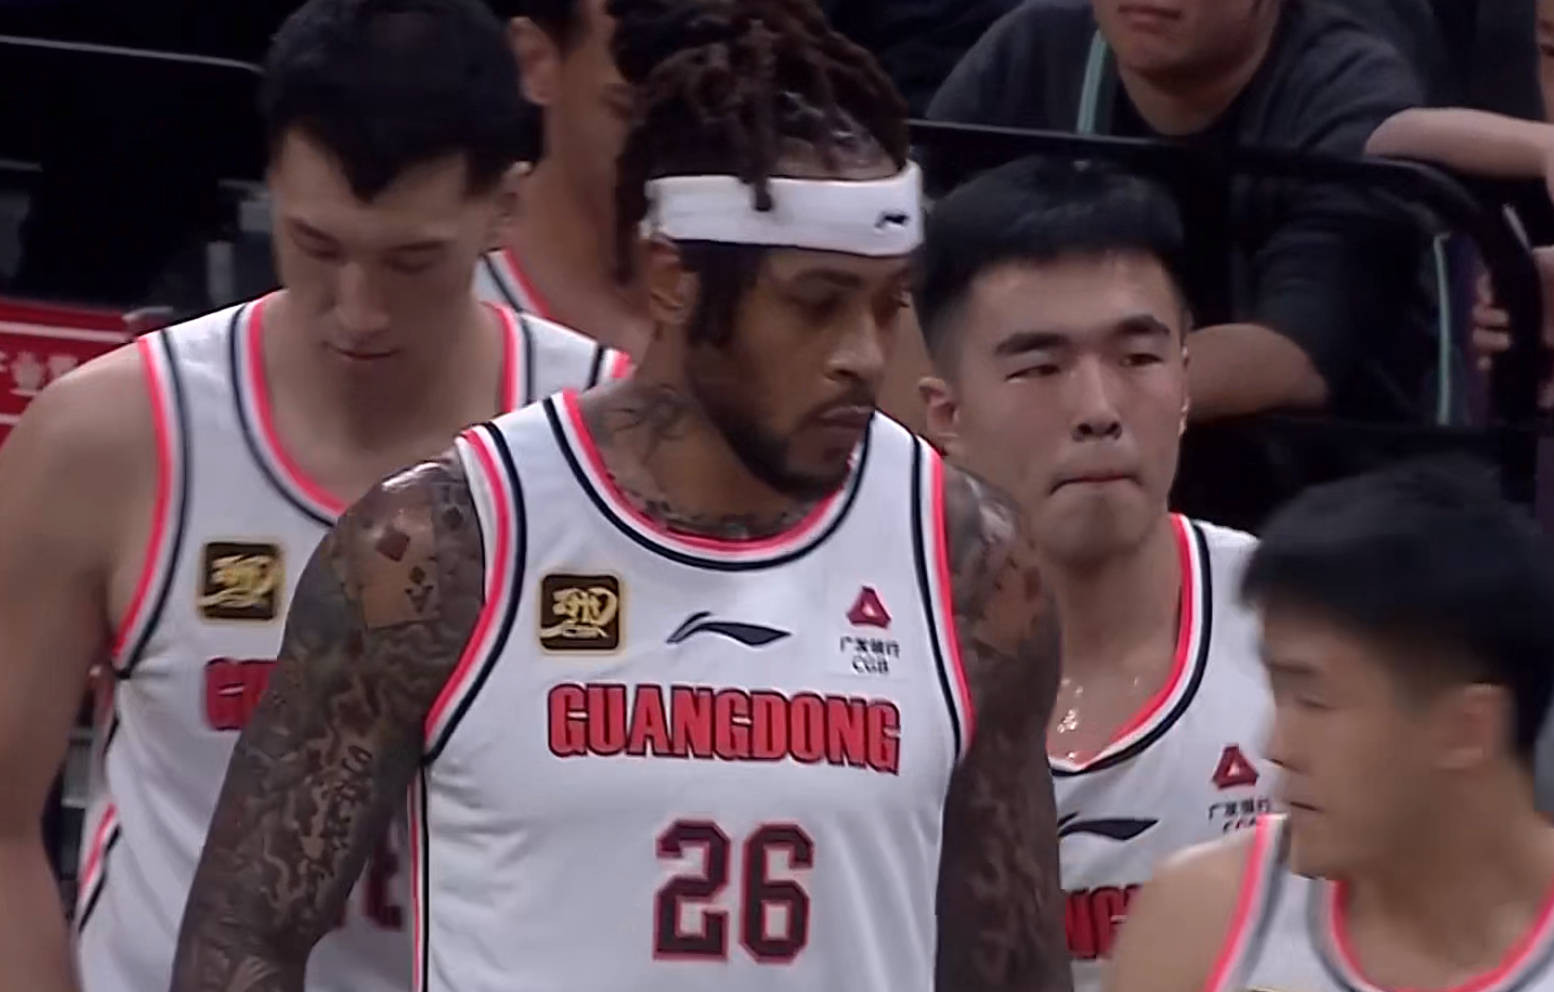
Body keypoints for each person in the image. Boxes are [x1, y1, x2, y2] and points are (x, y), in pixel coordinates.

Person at [169, 0, 1073, 989]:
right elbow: (241, 943)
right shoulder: (442, 549)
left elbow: (1014, 973)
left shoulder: (972, 564)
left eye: (887, 303)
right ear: (674, 277)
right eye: (816, 304)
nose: (862, 354)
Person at [0, 1, 627, 990]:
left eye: (411, 261)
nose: (359, 310)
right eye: (318, 246)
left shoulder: (608, 440)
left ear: (505, 207)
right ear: (273, 181)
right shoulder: (112, 437)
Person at [916, 157, 1272, 992]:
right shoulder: (870, 651)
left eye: (1139, 358)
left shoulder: (1308, 630)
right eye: (1040, 368)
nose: (1099, 410)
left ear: (1185, 383)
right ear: (947, 415)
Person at [925, 0, 1429, 531]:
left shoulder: (1347, 89)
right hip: (1033, 498)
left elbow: (1294, 353)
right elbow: (915, 261)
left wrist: (1046, 395)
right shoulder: (1031, 50)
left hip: (1314, 516)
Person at [1105, 457, 1554, 992]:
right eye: (1279, 692)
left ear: (1467, 730)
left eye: (1314, 701)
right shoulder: (1200, 918)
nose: (1276, 747)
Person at [477, 0, 652, 358]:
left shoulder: (766, 294)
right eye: (630, 112)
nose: (677, 142)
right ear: (535, 61)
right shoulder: (435, 301)